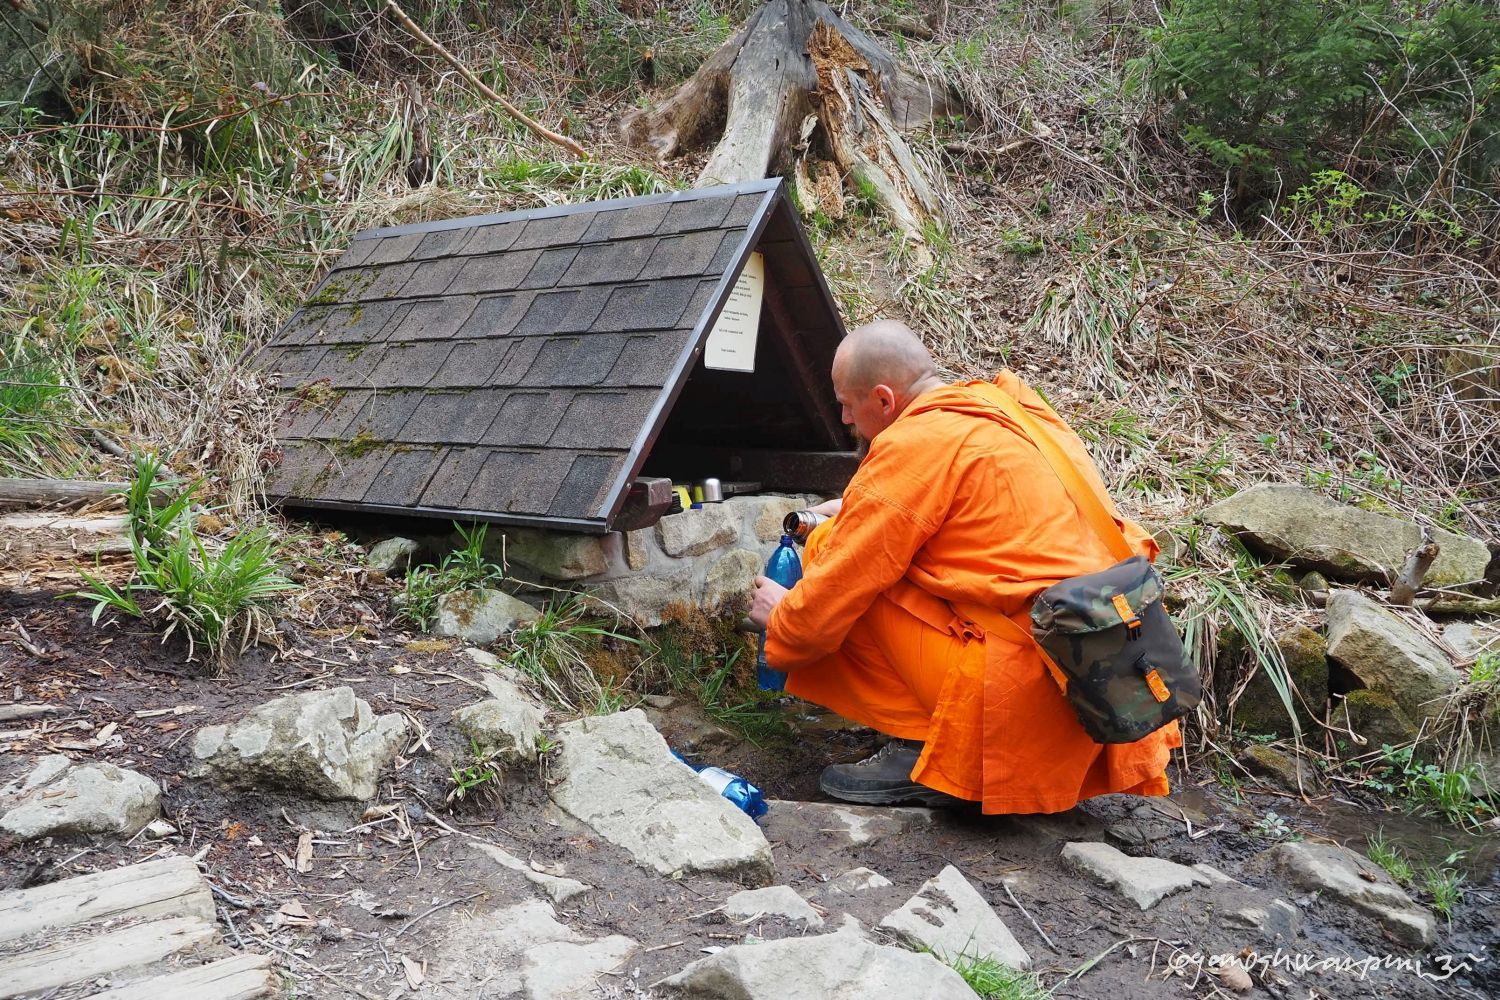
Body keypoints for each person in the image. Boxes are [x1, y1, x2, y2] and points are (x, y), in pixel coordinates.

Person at [748, 320, 1181, 814]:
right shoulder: (1007, 406)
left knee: (829, 546)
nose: (844, 417)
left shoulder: (912, 442)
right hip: (1108, 664)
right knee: (868, 546)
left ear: (885, 400)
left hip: (1027, 694)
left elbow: (843, 580)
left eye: (847, 403)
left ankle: (930, 754)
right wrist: (859, 506)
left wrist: (782, 616)